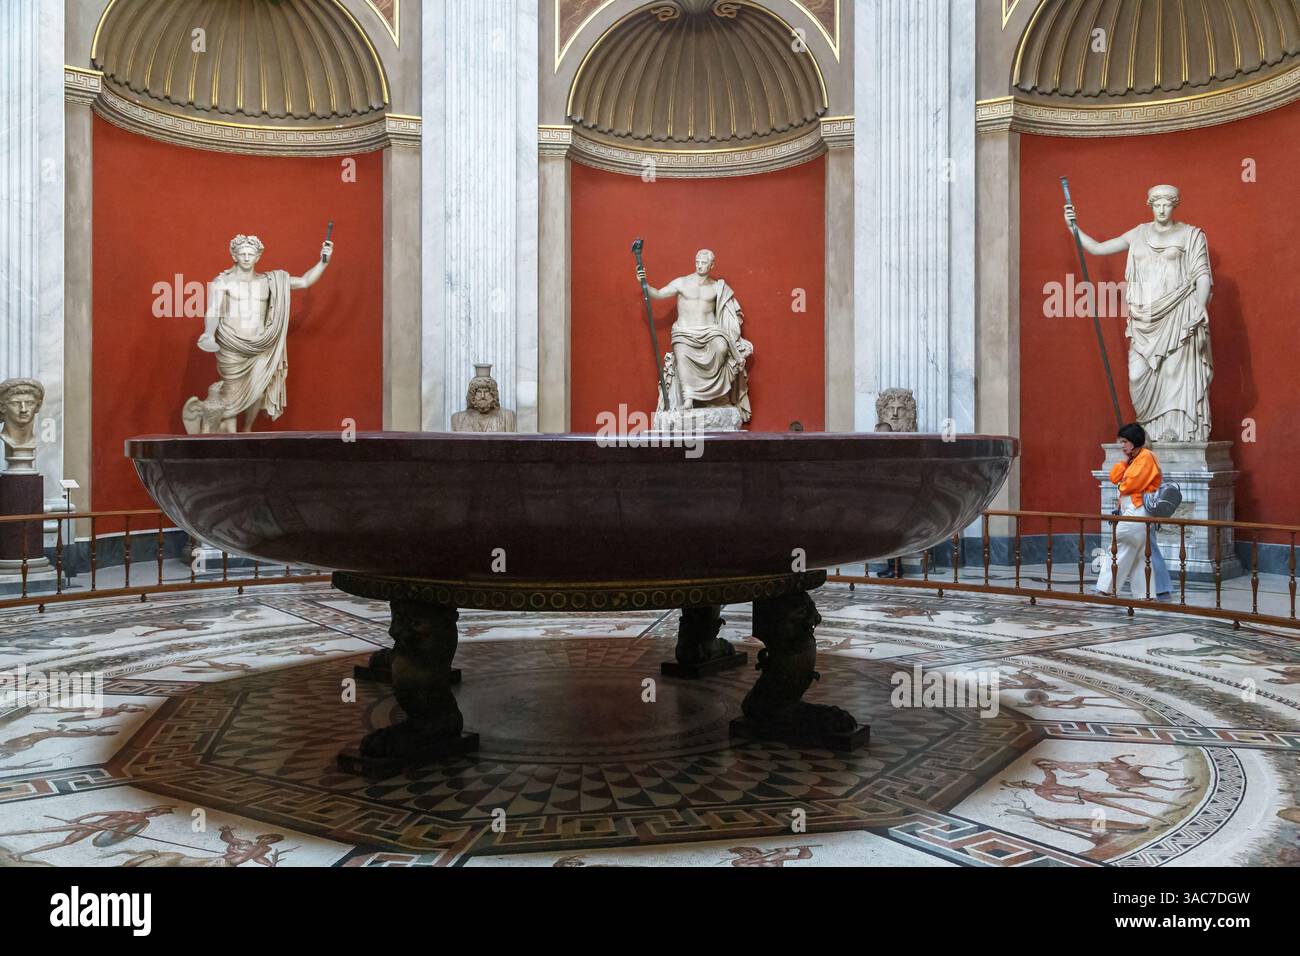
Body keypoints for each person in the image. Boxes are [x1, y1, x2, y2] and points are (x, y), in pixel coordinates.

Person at [1094, 423, 1171, 600]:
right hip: (1133, 508)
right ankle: (1145, 594)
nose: (1122, 445)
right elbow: (1114, 477)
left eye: (1125, 441)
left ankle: (1105, 588)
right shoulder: (1134, 459)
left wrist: (1122, 483)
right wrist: (1125, 462)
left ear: (1135, 441)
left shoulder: (1146, 457)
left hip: (1138, 508)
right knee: (1139, 554)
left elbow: (1130, 484)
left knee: (1117, 545)